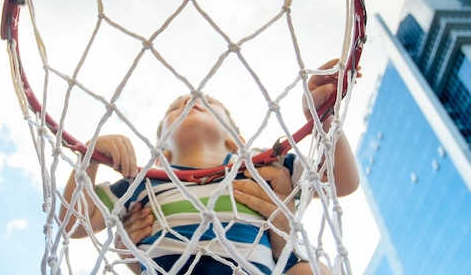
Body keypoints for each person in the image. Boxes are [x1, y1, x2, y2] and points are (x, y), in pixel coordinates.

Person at [60, 59, 360, 274]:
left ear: (236, 140)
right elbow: (74, 225)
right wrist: (90, 160)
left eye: (207, 103)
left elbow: (340, 183)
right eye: (176, 107)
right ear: (161, 150)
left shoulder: (260, 163)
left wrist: (322, 119)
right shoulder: (145, 181)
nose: (191, 101)